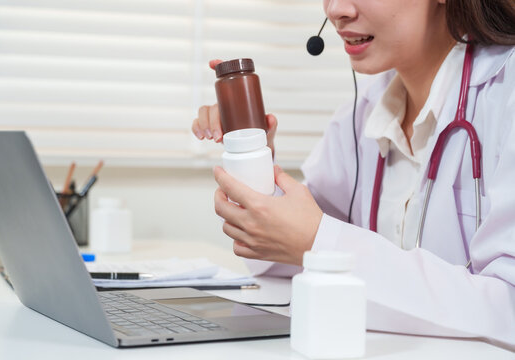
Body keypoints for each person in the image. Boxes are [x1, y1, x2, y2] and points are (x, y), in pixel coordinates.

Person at [192, 0, 515, 350]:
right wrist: (254, 162)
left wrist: (319, 240)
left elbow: (508, 307)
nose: (336, 10)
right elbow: (287, 255)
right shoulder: (362, 112)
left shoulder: (506, 91)